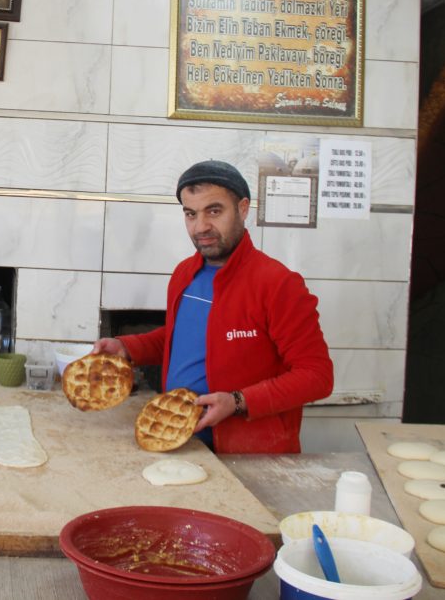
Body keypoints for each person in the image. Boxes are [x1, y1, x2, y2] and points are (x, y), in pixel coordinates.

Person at [93, 160, 333, 453]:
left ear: (243, 209)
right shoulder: (185, 273)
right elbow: (184, 337)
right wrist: (128, 348)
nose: (201, 226)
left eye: (214, 211)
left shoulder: (278, 283)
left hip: (247, 454)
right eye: (191, 214)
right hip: (180, 439)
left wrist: (237, 401)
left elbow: (317, 376)